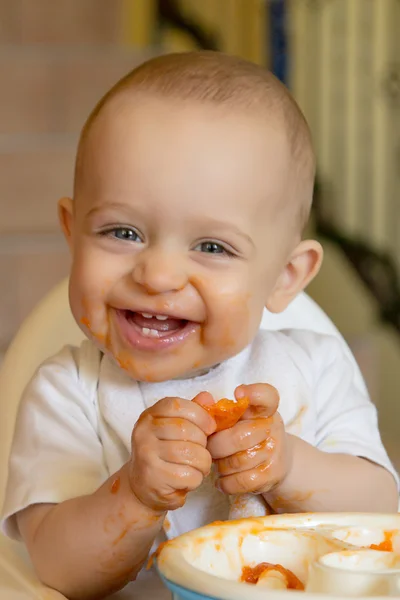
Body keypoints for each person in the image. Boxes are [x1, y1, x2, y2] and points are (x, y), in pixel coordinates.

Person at [1, 51, 398, 600]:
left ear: (285, 276)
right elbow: (55, 567)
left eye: (212, 246)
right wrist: (134, 496)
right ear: (73, 233)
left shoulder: (316, 366)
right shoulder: (68, 392)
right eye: (122, 232)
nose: (158, 273)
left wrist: (288, 467)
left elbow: (382, 514)